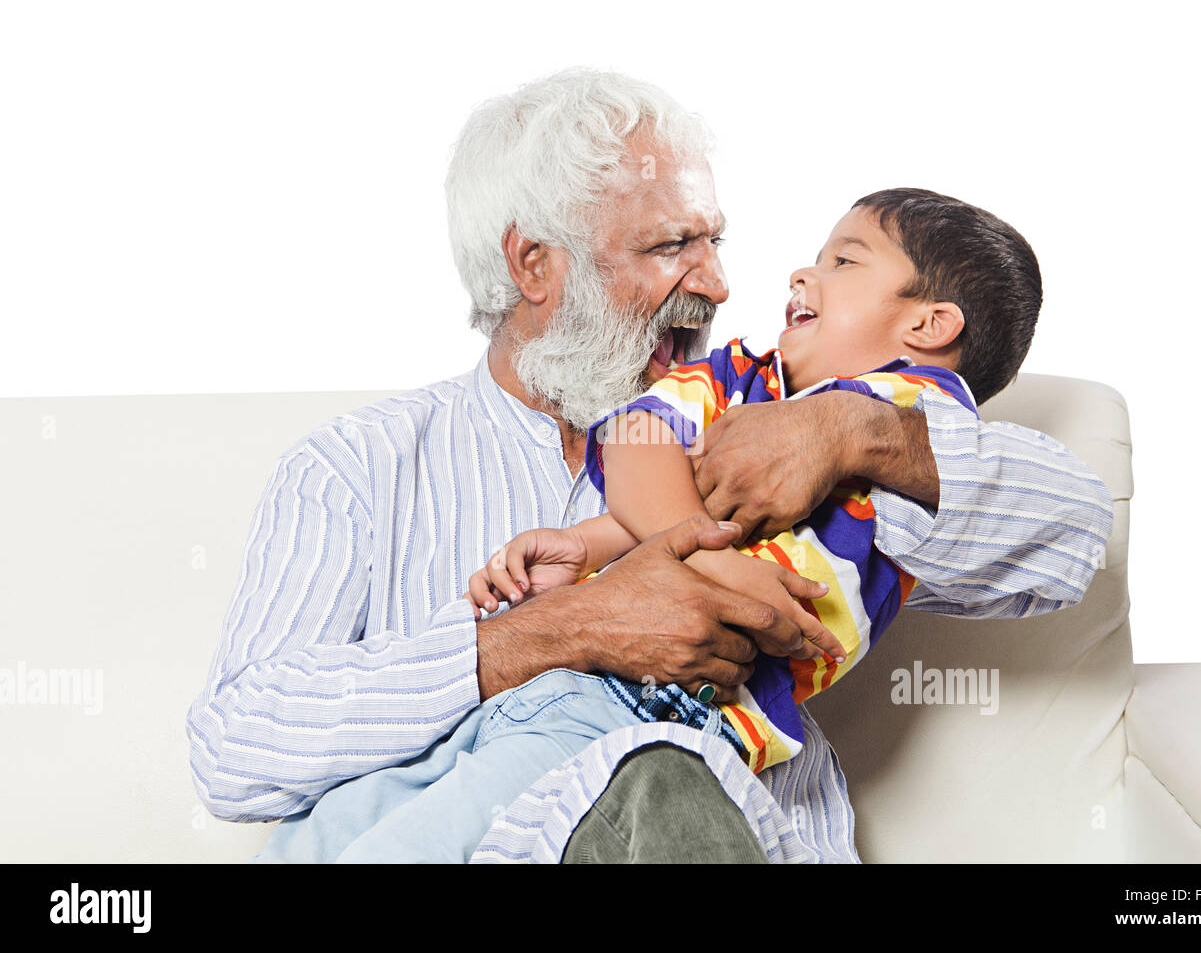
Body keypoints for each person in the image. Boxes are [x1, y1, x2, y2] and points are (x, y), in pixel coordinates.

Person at [187, 69, 1113, 863]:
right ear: (535, 266)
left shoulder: (795, 431)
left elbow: (1073, 536)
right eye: (673, 246)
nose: (717, 282)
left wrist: (851, 433)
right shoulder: (357, 470)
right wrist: (542, 636)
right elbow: (236, 746)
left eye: (715, 242)